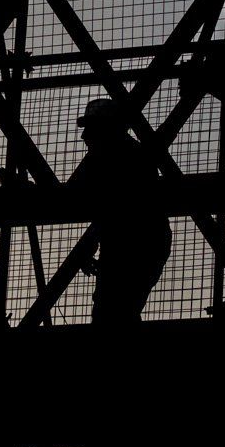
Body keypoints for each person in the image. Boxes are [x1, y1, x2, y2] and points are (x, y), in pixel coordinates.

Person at [71, 97, 171, 326]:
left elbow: (114, 208)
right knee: (118, 309)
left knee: (114, 310)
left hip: (138, 244)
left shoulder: (124, 157)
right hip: (133, 243)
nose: (84, 137)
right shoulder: (117, 155)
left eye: (91, 129)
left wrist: (89, 244)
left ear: (106, 129)